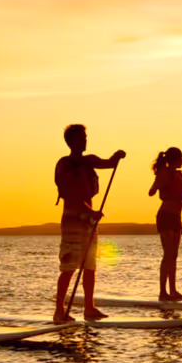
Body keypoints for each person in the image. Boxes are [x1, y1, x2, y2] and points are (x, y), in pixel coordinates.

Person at [53, 124, 126, 324]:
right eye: (81, 138)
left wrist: (117, 156)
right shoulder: (65, 164)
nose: (85, 140)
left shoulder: (89, 161)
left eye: (85, 137)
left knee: (90, 266)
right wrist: (90, 211)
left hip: (89, 223)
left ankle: (89, 308)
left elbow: (108, 163)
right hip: (73, 222)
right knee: (68, 266)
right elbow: (70, 195)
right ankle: (59, 311)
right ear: (70, 141)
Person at [148, 147, 182, 301]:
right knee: (168, 255)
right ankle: (163, 293)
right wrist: (157, 184)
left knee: (173, 255)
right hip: (165, 216)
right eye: (181, 157)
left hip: (176, 217)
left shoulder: (180, 175)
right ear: (174, 159)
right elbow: (152, 191)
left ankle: (173, 291)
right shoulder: (164, 173)